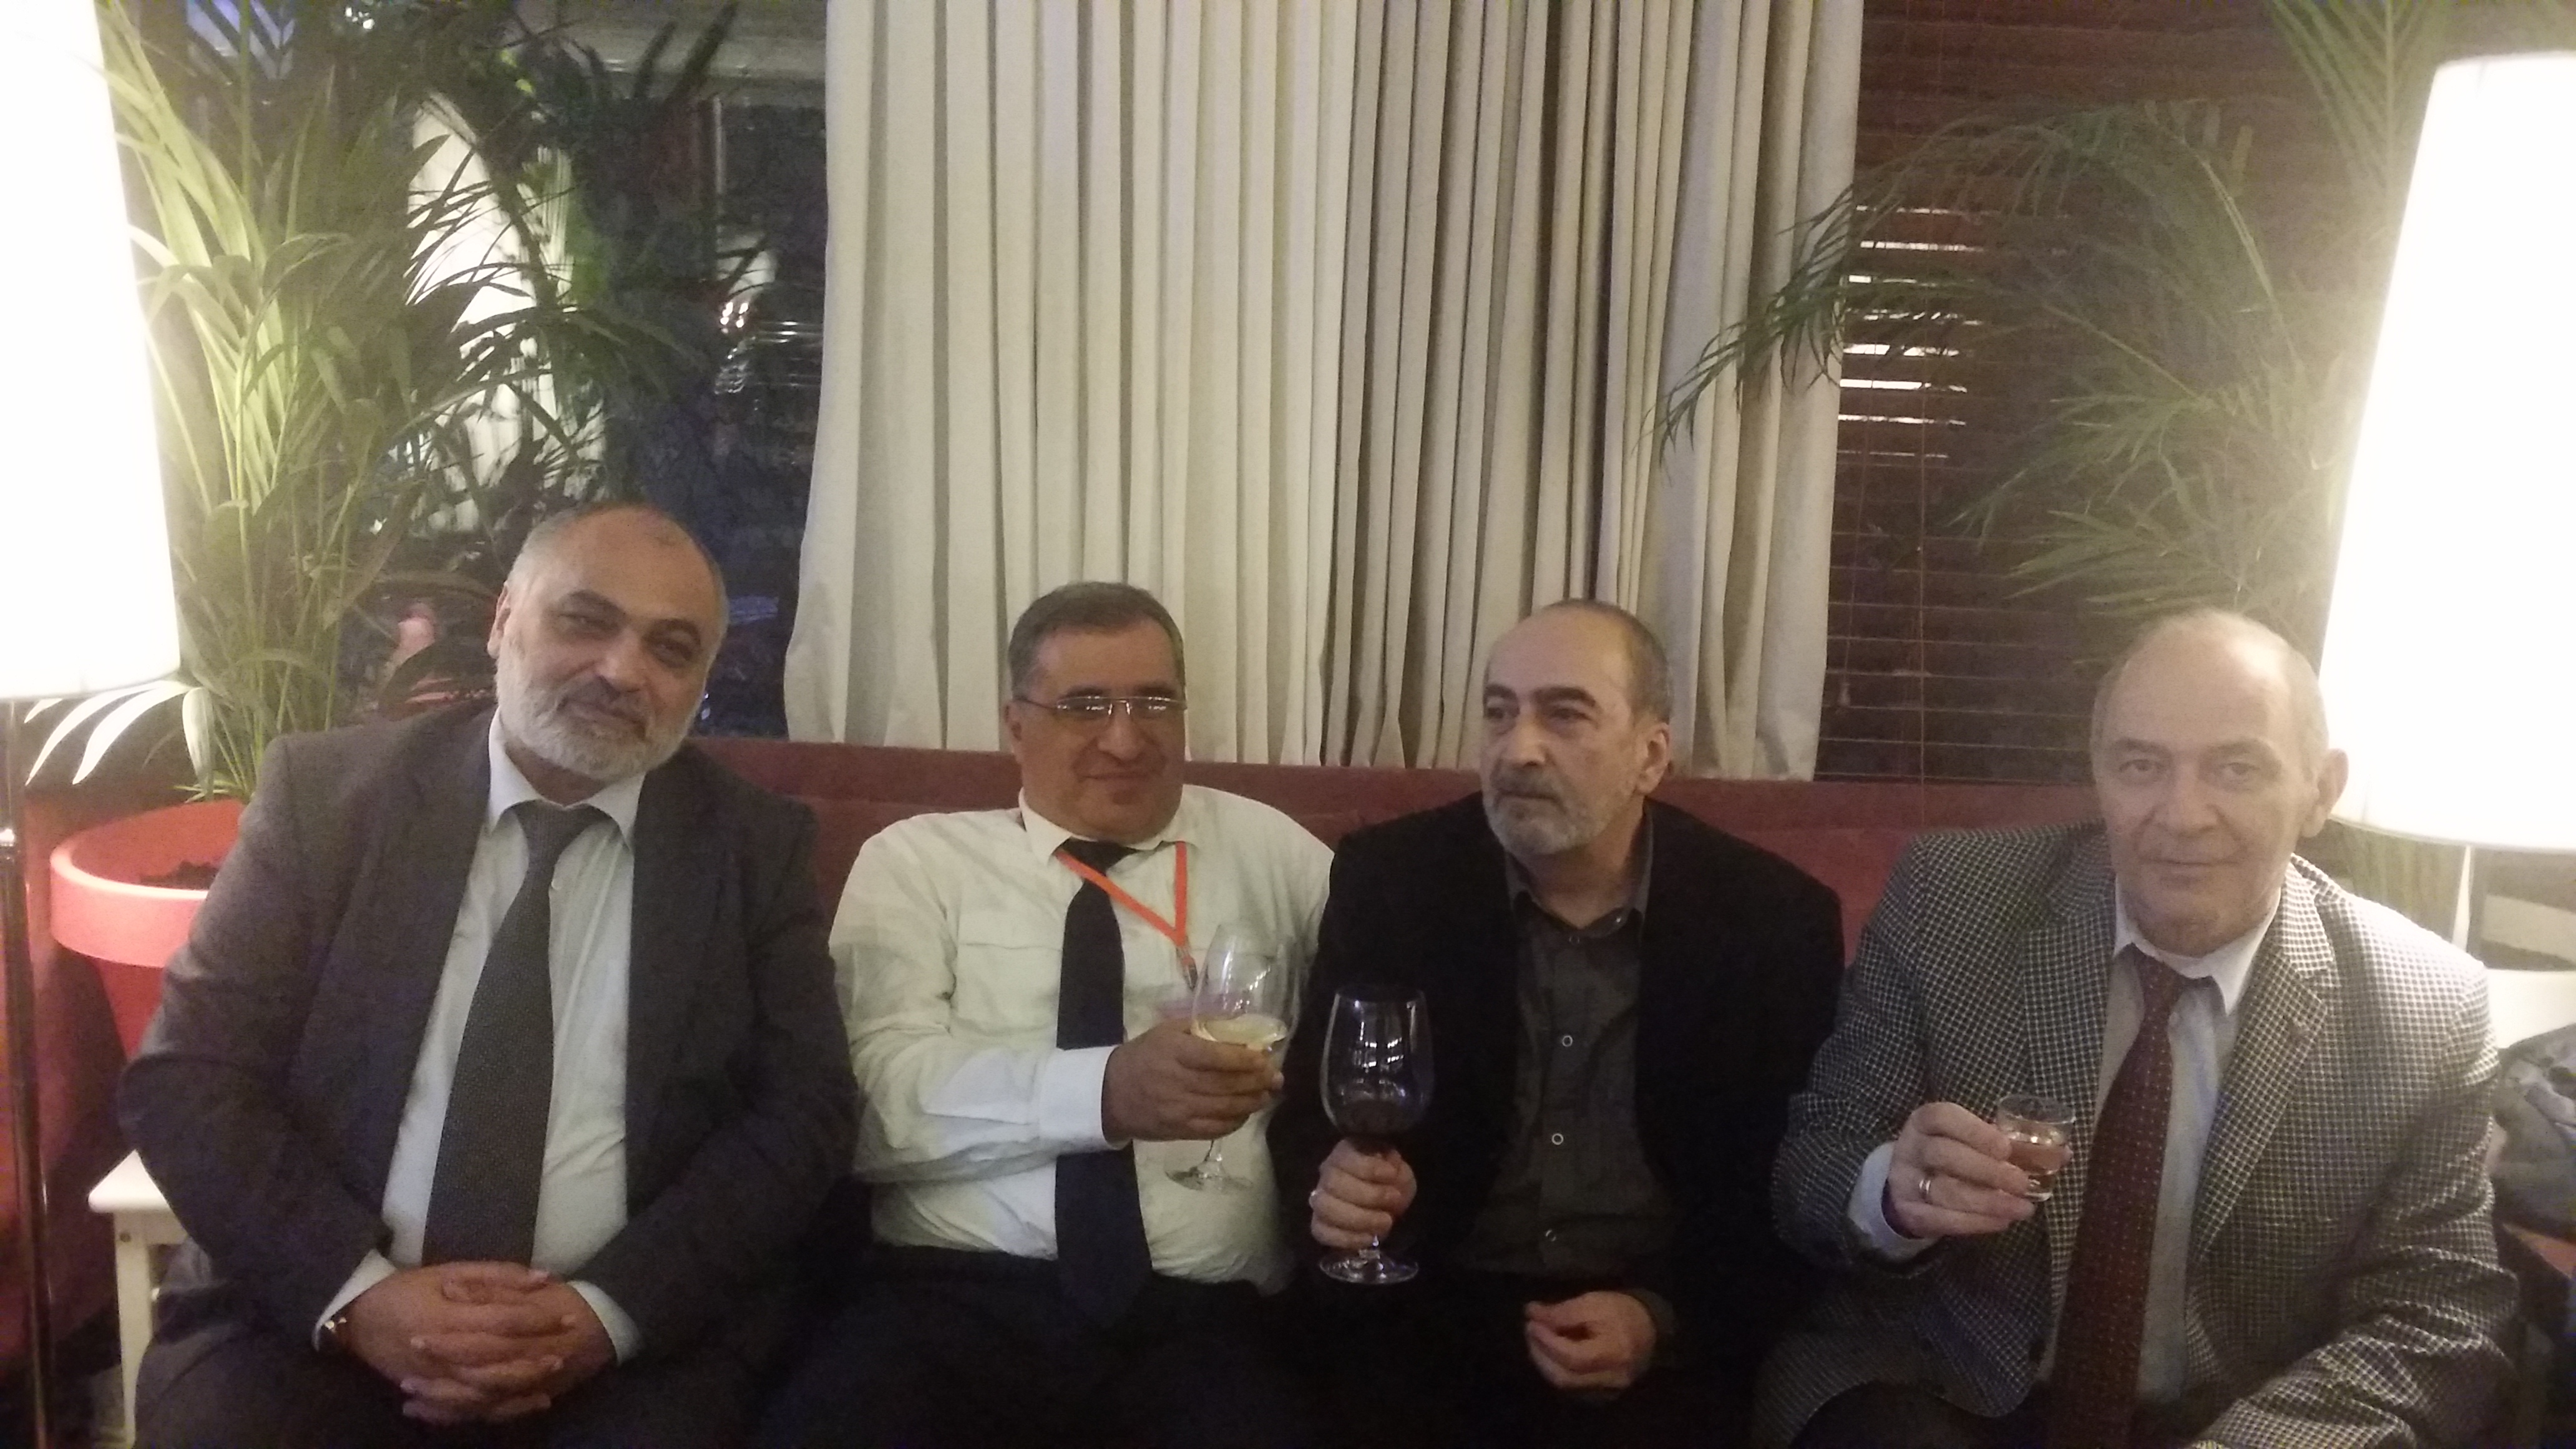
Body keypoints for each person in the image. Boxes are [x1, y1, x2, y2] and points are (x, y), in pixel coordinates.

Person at [120, 504, 857, 1447]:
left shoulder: (752, 846)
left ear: (701, 682)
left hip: (628, 1342)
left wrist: (607, 1314)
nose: (622, 670)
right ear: (504, 618)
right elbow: (189, 1079)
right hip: (312, 1316)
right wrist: (360, 1298)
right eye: (586, 621)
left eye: (671, 649)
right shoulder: (327, 800)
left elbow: (804, 1114)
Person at [1758, 608, 2517, 1449]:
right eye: (2141, 765)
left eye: (2236, 768)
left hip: (2232, 1420)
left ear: (2321, 789)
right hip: (1939, 1384)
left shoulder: (2423, 1006)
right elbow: (1813, 1164)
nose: (2182, 814)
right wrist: (1892, 1194)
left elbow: (2434, 1314)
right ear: (2099, 775)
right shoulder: (1952, 902)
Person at [759, 582, 1332, 1449]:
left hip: (1205, 1319)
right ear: (1016, 723)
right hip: (947, 1300)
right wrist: (1105, 1091)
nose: (1126, 739)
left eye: (1155, 702)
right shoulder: (920, 862)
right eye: (1084, 706)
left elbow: (1399, 990)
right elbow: (865, 1106)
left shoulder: (1270, 849)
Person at [1271, 600, 1847, 1448]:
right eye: (1499, 712)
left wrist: (1658, 1318)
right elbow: (1312, 1114)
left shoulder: (1771, 920)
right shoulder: (1394, 881)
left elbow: (1793, 1180)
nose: (1518, 749)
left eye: (1565, 714)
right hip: (1427, 1306)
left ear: (1651, 754)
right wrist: (1334, 1189)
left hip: (1659, 1326)